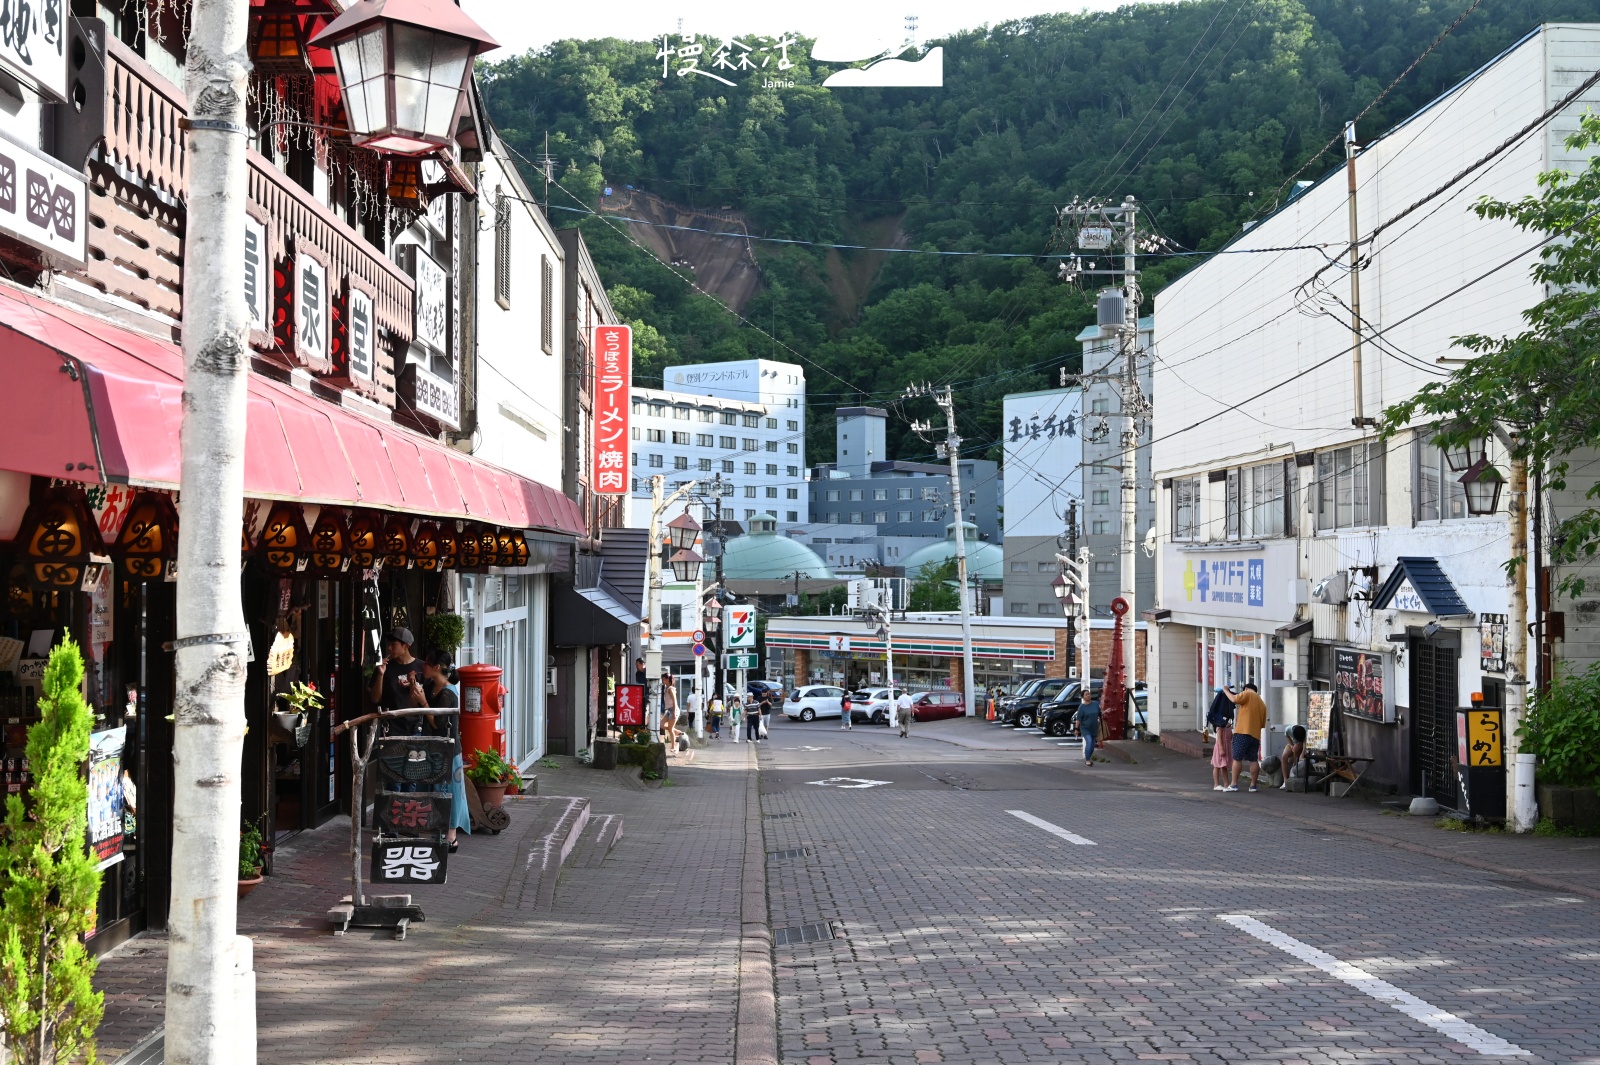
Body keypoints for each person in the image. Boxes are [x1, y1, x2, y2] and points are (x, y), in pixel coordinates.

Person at [409, 650, 468, 851]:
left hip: (448, 750)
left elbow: (438, 724)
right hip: (434, 748)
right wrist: (412, 686)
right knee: (437, 790)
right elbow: (417, 699)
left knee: (449, 791)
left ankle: (451, 836)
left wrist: (423, 701)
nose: (422, 666)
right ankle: (439, 829)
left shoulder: (448, 694)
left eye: (426, 663)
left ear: (436, 667)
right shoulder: (432, 685)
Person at [368, 627, 426, 731]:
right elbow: (375, 699)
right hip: (390, 728)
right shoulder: (384, 667)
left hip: (416, 728)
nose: (389, 648)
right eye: (388, 644)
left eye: (393, 645)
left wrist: (413, 684)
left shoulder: (421, 667)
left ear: (406, 646)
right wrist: (380, 674)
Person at [1224, 683, 1268, 792]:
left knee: (1237, 758)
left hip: (1242, 732)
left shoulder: (1248, 693)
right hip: (1255, 735)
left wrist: (1226, 691)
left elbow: (1234, 699)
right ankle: (1253, 785)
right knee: (1253, 759)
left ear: (1246, 689)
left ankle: (1234, 784)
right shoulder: (1262, 703)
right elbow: (1262, 724)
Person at [1206, 689, 1235, 792]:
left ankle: (1226, 783)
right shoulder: (1220, 724)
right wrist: (1222, 748)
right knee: (1218, 765)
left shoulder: (1226, 724)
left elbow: (1230, 736)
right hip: (1221, 746)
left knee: (1224, 766)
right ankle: (1217, 784)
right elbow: (1219, 738)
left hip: (1226, 746)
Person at [1279, 724, 1307, 790]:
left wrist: (1302, 754)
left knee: (1295, 749)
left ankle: (1293, 769)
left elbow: (1305, 744)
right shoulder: (1288, 729)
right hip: (1292, 744)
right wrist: (1291, 744)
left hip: (1301, 744)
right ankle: (1285, 780)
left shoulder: (1305, 731)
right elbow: (1287, 736)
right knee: (1284, 757)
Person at [1076, 696, 1102, 766]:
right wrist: (1076, 729)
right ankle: (1087, 760)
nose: (1088, 695)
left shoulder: (1095, 704)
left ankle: (1089, 758)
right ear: (1083, 697)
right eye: (1086, 694)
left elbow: (1100, 714)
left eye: (1089, 694)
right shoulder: (1082, 707)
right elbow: (1078, 719)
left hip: (1094, 727)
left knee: (1093, 745)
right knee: (1089, 742)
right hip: (1085, 727)